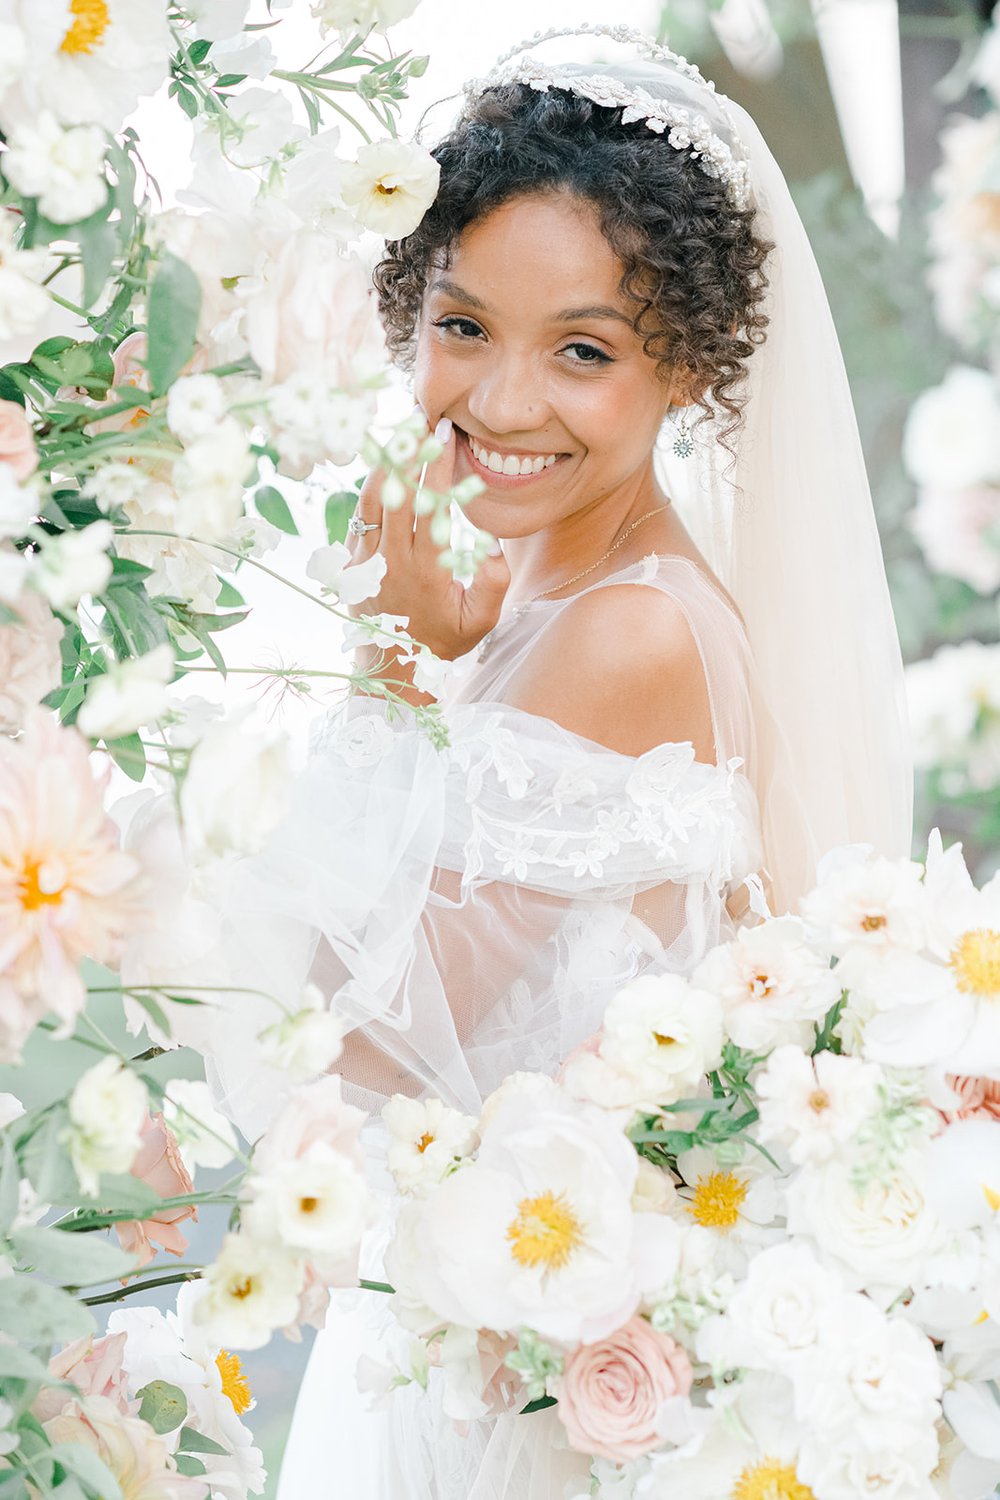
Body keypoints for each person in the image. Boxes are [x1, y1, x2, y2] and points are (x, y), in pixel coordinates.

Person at [210, 25, 913, 1499]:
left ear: (691, 370)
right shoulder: (547, 591)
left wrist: (391, 659)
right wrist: (432, 647)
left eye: (582, 352)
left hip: (522, 1394)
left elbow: (347, 1046)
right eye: (462, 326)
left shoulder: (629, 637)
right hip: (476, 1332)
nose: (504, 404)